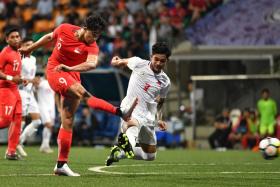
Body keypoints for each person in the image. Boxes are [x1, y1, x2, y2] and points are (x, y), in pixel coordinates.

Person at [19, 14, 137, 176]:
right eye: (92, 33)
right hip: (55, 70)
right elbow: (49, 37)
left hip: (71, 74)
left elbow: (91, 64)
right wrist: (31, 48)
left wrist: (70, 68)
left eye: (97, 35)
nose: (94, 38)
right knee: (84, 95)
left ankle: (61, 165)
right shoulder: (65, 28)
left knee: (68, 120)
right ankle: (120, 112)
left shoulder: (92, 46)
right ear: (85, 28)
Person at [105, 42, 171, 166]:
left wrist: (160, 119)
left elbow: (160, 102)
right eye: (156, 59)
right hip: (130, 109)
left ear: (167, 60)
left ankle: (120, 152)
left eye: (162, 61)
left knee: (150, 155)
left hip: (147, 115)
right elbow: (120, 62)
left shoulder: (165, 81)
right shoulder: (138, 63)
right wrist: (116, 61)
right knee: (131, 125)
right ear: (151, 56)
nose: (158, 63)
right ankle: (126, 143)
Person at [0, 27, 25, 160]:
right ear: (7, 39)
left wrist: (22, 79)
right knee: (4, 122)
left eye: (17, 36)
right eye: (13, 37)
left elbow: (14, 72)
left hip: (15, 90)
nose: (16, 39)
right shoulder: (5, 52)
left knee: (17, 120)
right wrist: (11, 79)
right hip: (5, 89)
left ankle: (11, 152)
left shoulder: (18, 52)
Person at [17, 38, 41, 157]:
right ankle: (13, 145)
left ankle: (19, 142)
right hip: (20, 91)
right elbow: (17, 76)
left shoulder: (33, 59)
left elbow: (30, 76)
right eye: (27, 45)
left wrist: (34, 83)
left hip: (30, 92)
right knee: (21, 120)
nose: (30, 47)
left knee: (37, 121)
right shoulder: (19, 58)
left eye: (32, 45)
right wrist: (32, 80)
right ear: (22, 46)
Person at [36, 65, 56, 153]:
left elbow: (55, 96)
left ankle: (44, 146)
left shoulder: (53, 82)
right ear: (44, 70)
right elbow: (34, 90)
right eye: (46, 69)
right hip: (43, 106)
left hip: (51, 107)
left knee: (50, 127)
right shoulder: (40, 81)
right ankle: (45, 146)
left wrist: (58, 107)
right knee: (48, 125)